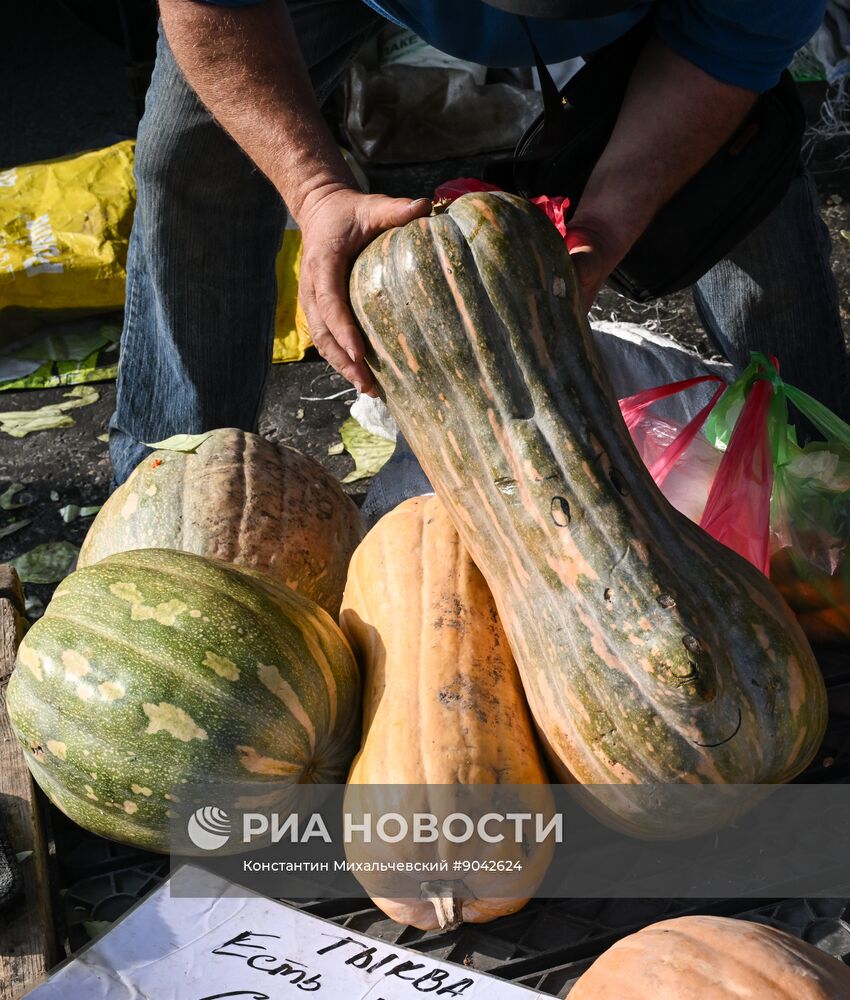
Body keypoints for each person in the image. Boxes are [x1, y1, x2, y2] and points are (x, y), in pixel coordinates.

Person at [109, 0, 849, 486]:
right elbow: (212, 9)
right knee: (192, 151)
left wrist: (610, 221)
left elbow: (724, 55)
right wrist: (315, 192)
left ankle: (824, 492)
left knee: (741, 175)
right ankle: (167, 501)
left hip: (656, 18)